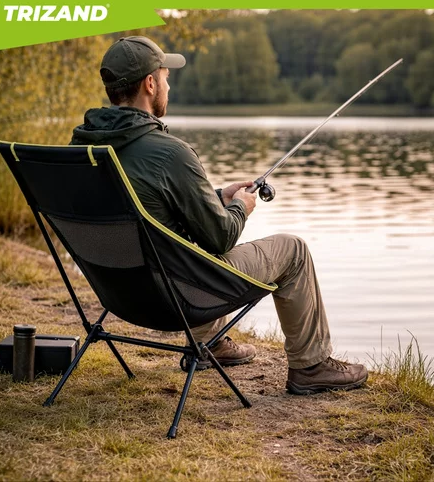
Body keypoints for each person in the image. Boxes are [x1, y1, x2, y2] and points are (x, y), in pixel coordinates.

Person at [70, 36, 368, 395]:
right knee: (294, 250)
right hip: (175, 300)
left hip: (119, 294)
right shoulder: (169, 153)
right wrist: (240, 206)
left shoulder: (82, 147)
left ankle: (211, 341)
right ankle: (311, 366)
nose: (168, 86)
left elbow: (149, 209)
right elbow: (220, 238)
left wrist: (216, 197)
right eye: (165, 77)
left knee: (185, 243)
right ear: (149, 84)